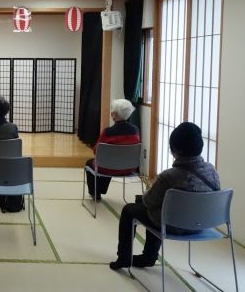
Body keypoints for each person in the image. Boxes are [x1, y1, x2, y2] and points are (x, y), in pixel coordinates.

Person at [109, 122, 220, 270]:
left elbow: (149, 202)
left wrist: (148, 191)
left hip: (173, 224)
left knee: (131, 210)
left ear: (175, 149)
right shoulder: (212, 171)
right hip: (202, 224)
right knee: (156, 207)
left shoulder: (169, 176)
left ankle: (126, 257)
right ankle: (148, 257)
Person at [85, 99, 140, 200]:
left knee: (91, 162)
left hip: (109, 168)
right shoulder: (135, 130)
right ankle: (101, 190)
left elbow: (96, 151)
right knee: (110, 161)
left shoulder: (108, 132)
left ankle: (95, 193)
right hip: (130, 168)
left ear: (114, 115)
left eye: (112, 110)